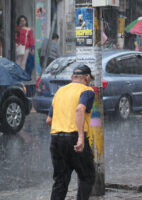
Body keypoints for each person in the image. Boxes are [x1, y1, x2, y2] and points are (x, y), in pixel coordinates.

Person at [46, 64, 96, 200]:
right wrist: (80, 137)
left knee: (60, 180)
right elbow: (80, 109)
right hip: (74, 137)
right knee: (87, 175)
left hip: (56, 138)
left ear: (72, 77)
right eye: (89, 79)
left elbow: (49, 120)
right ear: (86, 78)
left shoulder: (60, 92)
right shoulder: (87, 91)